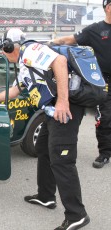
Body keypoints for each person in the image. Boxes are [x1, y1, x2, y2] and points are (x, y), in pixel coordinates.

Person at [0, 28, 90, 229]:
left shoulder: (30, 50)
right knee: (43, 149)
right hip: (51, 110)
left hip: (63, 108)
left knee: (61, 160)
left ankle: (76, 214)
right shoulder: (23, 64)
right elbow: (14, 91)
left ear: (10, 46)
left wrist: (63, 102)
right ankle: (46, 196)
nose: (2, 53)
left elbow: (60, 62)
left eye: (3, 49)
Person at [52, 0, 111, 169]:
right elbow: (69, 40)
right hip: (103, 81)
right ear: (108, 8)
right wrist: (49, 44)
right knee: (105, 118)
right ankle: (105, 153)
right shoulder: (95, 30)